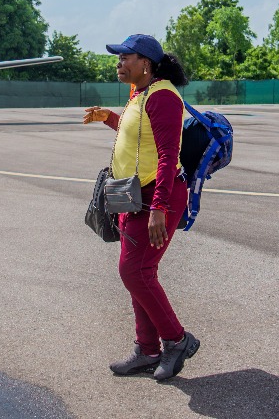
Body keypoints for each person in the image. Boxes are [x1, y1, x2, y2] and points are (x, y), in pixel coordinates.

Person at [82, 34, 200, 381]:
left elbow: (167, 153)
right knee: (139, 274)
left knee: (134, 271)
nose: (119, 63)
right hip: (133, 196)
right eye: (118, 58)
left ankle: (176, 340)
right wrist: (109, 117)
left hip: (155, 197)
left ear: (145, 63)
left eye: (125, 57)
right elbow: (138, 135)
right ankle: (147, 350)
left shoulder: (163, 95)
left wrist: (160, 208)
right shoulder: (140, 93)